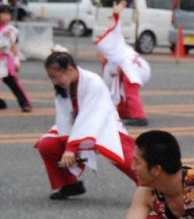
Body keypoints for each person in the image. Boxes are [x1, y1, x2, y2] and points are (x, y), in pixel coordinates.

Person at [36, 50, 138, 200]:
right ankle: (68, 184)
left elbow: (91, 117)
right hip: (78, 129)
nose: (55, 82)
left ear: (69, 69)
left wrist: (71, 148)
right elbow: (64, 118)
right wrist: (67, 145)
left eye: (55, 77)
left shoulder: (93, 82)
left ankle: (155, 188)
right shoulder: (63, 87)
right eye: (52, 78)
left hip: (104, 125)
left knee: (128, 159)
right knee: (47, 145)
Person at [95, 0, 151, 127]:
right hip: (138, 66)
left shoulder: (112, 47)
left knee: (130, 92)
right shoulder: (113, 50)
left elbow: (115, 27)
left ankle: (139, 116)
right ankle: (125, 112)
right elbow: (110, 86)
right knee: (122, 89)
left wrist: (116, 13)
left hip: (132, 68)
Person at [0, 4, 32, 112]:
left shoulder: (11, 30)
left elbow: (14, 47)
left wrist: (16, 61)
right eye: (4, 13)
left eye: (8, 14)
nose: (6, 16)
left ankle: (25, 103)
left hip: (5, 60)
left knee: (12, 82)